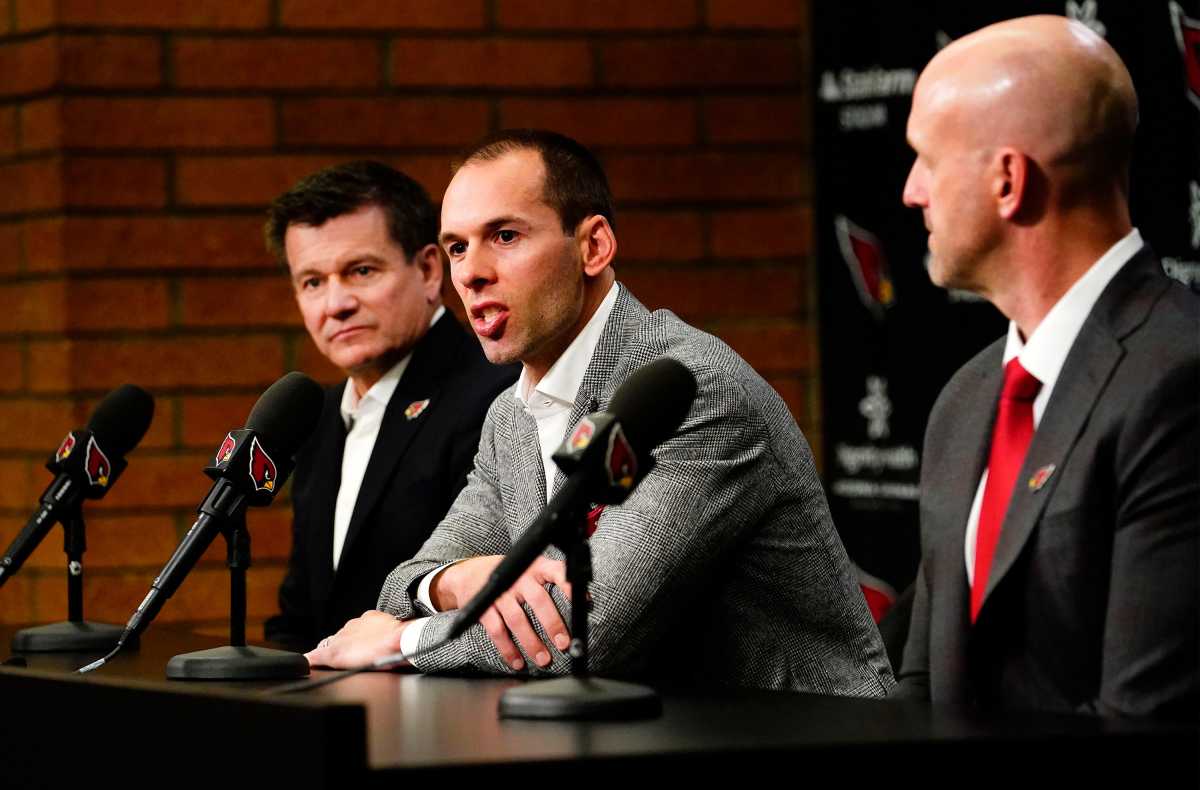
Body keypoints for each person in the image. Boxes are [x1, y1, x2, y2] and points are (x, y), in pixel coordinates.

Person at [305, 131, 895, 696]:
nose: (471, 272)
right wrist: (451, 581)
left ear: (594, 247)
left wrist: (403, 641)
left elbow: (585, 633)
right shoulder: (510, 415)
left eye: (505, 236)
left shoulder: (692, 391)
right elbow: (403, 582)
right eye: (458, 245)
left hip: (806, 742)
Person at [897, 16, 1198, 717]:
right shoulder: (967, 399)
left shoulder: (1180, 383)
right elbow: (920, 692)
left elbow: (1146, 721)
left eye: (927, 160)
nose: (912, 191)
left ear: (1009, 180)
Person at [261, 161, 517, 651]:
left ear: (427, 270)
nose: (335, 304)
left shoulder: (497, 399)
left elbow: (493, 609)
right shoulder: (315, 417)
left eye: (360, 271)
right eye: (312, 281)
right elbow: (301, 614)